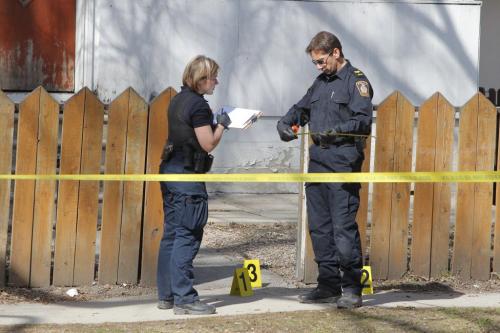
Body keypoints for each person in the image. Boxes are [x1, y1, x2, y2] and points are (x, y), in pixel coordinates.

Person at [277, 31, 373, 309]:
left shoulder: (357, 81)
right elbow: (300, 109)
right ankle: (327, 285)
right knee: (319, 228)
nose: (319, 67)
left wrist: (336, 132)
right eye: (315, 63)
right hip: (317, 164)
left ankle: (352, 288)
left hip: (342, 165)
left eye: (321, 61)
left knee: (343, 228)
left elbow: (362, 121)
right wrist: (285, 123)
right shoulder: (320, 83)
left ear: (336, 52)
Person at [157, 55, 231, 315]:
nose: (216, 82)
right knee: (187, 236)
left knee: (172, 235)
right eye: (213, 77)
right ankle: (185, 299)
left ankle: (166, 296)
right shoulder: (199, 106)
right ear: (201, 79)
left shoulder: (178, 100)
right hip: (187, 178)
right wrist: (222, 126)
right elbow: (208, 143)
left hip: (170, 173)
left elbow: (189, 133)